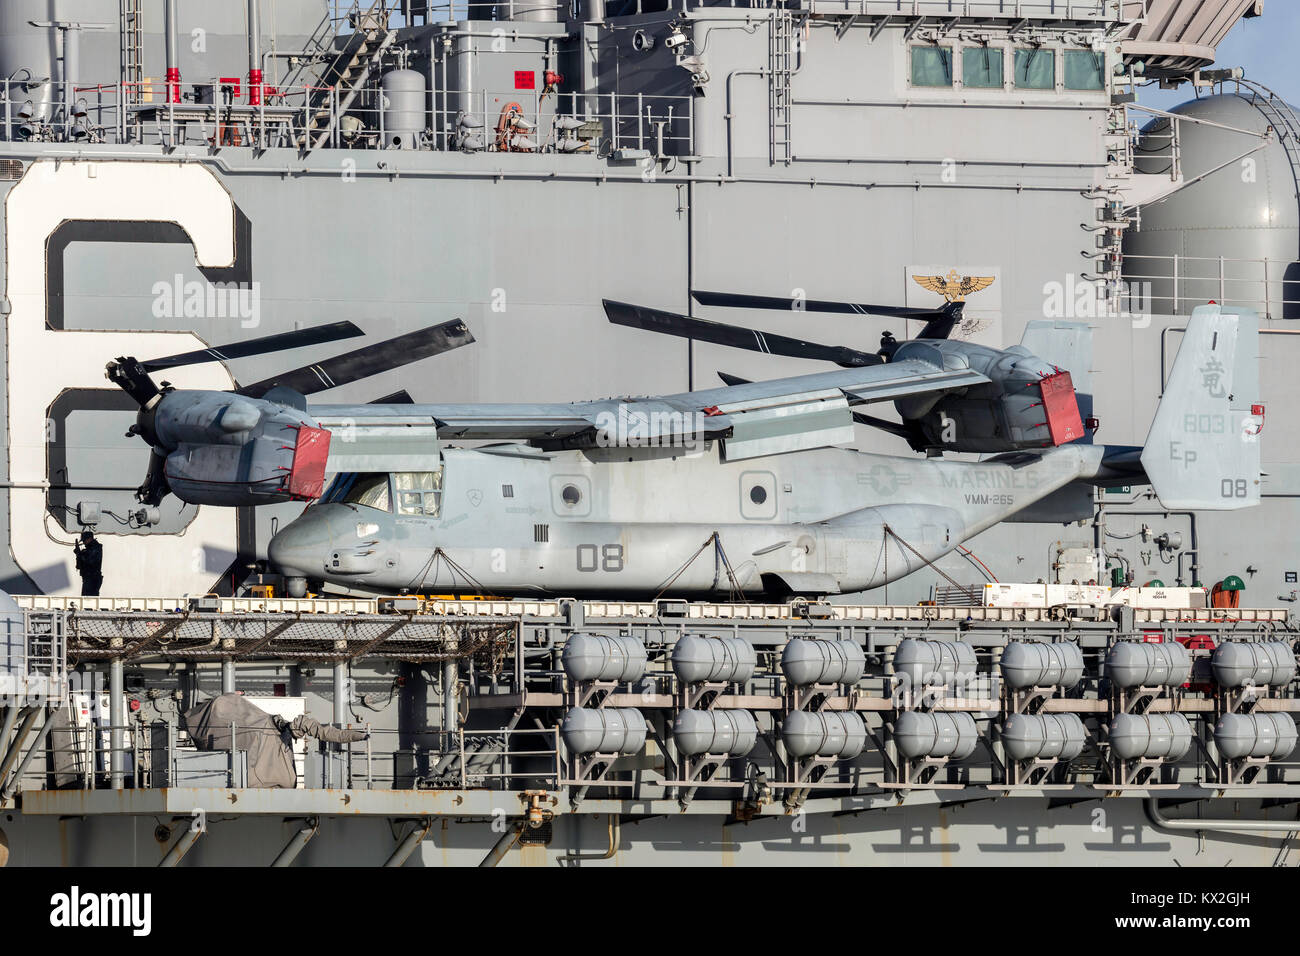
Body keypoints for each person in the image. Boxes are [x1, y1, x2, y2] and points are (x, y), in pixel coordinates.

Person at [73, 531, 103, 596]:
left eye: (84, 540)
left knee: (89, 600)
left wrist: (79, 554)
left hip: (93, 578)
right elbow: (79, 566)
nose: (83, 543)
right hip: (88, 578)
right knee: (86, 600)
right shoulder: (88, 550)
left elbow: (89, 561)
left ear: (89, 539)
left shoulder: (96, 547)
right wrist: (78, 554)